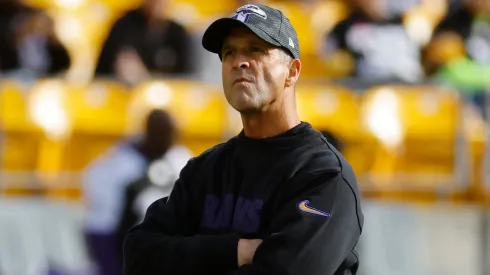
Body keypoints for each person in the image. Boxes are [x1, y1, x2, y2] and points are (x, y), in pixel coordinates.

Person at [123, 3, 364, 275]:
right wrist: (236, 251)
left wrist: (190, 259)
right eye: (229, 53)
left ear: (292, 72)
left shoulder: (323, 175)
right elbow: (138, 254)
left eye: (255, 50)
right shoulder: (204, 171)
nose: (239, 61)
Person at [83, 109, 191, 275]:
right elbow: (97, 194)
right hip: (112, 234)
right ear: (148, 131)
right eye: (159, 131)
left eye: (168, 132)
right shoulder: (121, 160)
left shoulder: (179, 159)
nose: (165, 137)